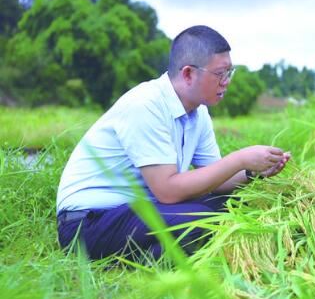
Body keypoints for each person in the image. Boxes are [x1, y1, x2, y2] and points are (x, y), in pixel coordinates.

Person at [56, 25, 291, 260]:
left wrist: (252, 172)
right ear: (188, 73)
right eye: (220, 74)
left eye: (230, 72)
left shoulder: (199, 114)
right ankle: (159, 257)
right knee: (202, 220)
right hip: (88, 221)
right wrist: (239, 158)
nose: (226, 82)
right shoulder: (145, 104)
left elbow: (216, 180)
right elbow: (168, 191)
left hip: (138, 211)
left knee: (234, 204)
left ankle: (163, 254)